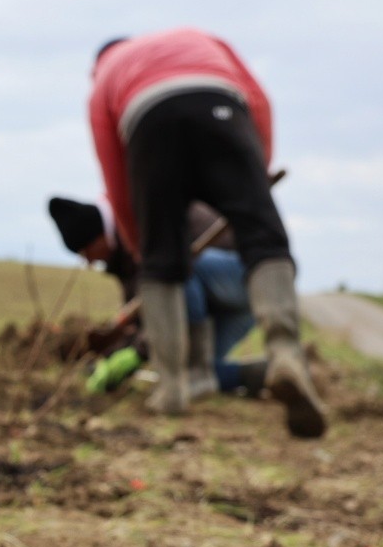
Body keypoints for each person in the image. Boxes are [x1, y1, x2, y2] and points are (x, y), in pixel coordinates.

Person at [86, 28, 327, 437]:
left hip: (147, 119)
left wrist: (140, 245)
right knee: (263, 237)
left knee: (163, 263)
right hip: (219, 101)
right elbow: (259, 103)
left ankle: (173, 387)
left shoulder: (104, 82)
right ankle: (286, 353)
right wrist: (255, 172)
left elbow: (116, 179)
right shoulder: (199, 39)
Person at [48, 196, 266, 398]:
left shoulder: (142, 220)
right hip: (223, 307)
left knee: (178, 265)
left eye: (86, 252)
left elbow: (165, 298)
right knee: (178, 370)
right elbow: (143, 315)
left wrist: (137, 353)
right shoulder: (123, 255)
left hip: (245, 278)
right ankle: (265, 372)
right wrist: (116, 354)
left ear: (98, 236)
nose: (89, 262)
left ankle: (199, 370)